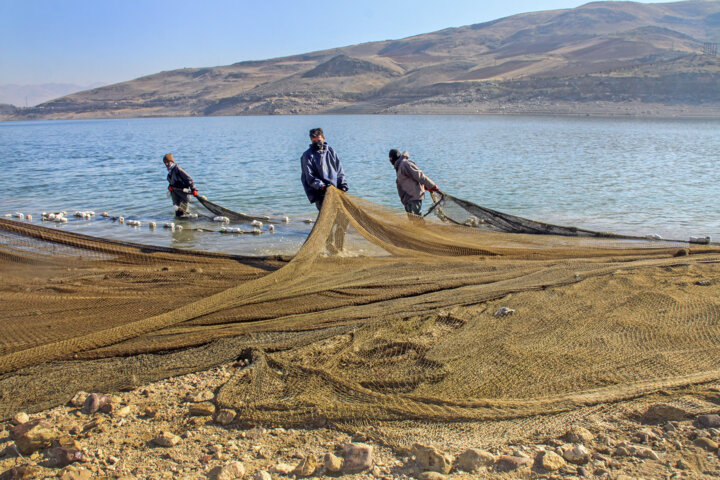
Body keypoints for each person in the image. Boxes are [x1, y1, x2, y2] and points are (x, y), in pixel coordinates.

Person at [300, 128, 349, 211]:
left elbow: (339, 170)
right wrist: (322, 187)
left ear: (323, 138)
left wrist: (343, 185)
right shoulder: (307, 155)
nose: (317, 143)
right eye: (314, 141)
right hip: (321, 194)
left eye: (318, 140)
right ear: (311, 140)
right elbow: (310, 177)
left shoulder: (331, 152)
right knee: (328, 217)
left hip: (336, 191)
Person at [389, 149, 440, 216]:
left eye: (390, 158)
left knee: (417, 219)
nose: (390, 160)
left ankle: (422, 227)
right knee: (412, 220)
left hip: (413, 197)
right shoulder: (398, 166)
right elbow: (409, 180)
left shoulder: (405, 164)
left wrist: (432, 186)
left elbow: (419, 176)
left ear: (392, 157)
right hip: (407, 199)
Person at [163, 153, 198, 217]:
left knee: (184, 214)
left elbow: (189, 179)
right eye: (165, 162)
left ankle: (185, 226)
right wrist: (170, 186)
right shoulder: (170, 171)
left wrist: (194, 189)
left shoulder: (178, 169)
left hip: (183, 194)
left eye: (167, 162)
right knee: (177, 214)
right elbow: (173, 182)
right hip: (175, 194)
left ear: (172, 161)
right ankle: (179, 225)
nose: (166, 164)